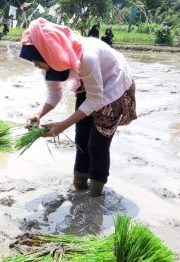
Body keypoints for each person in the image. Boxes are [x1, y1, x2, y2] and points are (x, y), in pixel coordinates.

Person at [19, 18, 137, 197]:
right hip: (88, 84)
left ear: (49, 53)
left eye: (37, 60)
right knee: (81, 139)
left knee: (97, 144)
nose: (35, 65)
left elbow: (95, 99)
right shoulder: (52, 61)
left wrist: (62, 125)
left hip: (112, 82)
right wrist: (38, 113)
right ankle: (79, 183)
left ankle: (95, 194)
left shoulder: (86, 57)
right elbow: (54, 94)